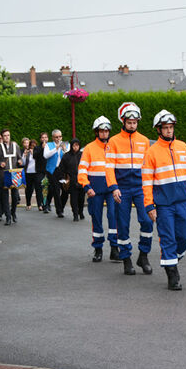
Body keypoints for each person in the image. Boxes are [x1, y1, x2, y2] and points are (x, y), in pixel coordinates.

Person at [142, 110, 186, 290]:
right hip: (163, 205)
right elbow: (146, 181)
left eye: (171, 127)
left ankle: (172, 258)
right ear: (158, 130)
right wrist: (149, 205)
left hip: (183, 202)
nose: (169, 131)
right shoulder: (151, 152)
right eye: (165, 128)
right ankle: (172, 274)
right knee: (167, 238)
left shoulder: (183, 147)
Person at [105, 102, 153, 276]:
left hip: (141, 187)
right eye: (129, 122)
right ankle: (126, 259)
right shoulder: (114, 141)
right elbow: (109, 167)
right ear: (123, 122)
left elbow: (149, 166)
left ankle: (144, 255)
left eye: (135, 122)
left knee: (147, 221)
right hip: (122, 188)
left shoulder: (145, 141)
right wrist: (114, 187)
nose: (132, 125)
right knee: (123, 225)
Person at [78, 116, 120, 262]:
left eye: (106, 131)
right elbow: (82, 170)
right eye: (101, 131)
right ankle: (98, 249)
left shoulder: (113, 146)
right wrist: (86, 186)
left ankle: (115, 249)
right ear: (96, 132)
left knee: (114, 217)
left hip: (111, 189)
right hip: (94, 190)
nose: (104, 134)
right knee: (96, 219)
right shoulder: (89, 148)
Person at [0, 129, 23, 223]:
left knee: (15, 196)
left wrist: (20, 161)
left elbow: (19, 157)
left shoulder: (15, 146)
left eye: (8, 135)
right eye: (5, 135)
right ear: (1, 136)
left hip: (15, 173)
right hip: (3, 174)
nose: (7, 137)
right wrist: (0, 163)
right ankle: (8, 217)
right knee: (4, 196)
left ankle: (13, 212)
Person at [44, 129, 69, 218]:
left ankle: (61, 206)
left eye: (60, 137)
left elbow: (69, 157)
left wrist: (65, 150)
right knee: (56, 190)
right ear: (53, 138)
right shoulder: (49, 145)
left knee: (65, 190)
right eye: (56, 137)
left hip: (63, 171)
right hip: (52, 170)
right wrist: (56, 148)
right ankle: (59, 211)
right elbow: (46, 155)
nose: (58, 139)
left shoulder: (66, 144)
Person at [58, 138, 85, 221]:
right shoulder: (66, 156)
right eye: (74, 145)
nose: (75, 147)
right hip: (71, 180)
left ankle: (80, 211)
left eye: (77, 145)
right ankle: (75, 214)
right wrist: (63, 178)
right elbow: (61, 168)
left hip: (82, 179)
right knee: (73, 198)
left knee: (81, 198)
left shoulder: (83, 155)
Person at [23, 139, 43, 211]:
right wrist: (25, 155)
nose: (32, 148)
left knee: (38, 189)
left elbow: (40, 160)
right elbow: (23, 163)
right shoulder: (27, 152)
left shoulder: (37, 153)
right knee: (29, 189)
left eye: (34, 146)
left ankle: (39, 205)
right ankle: (28, 204)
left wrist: (33, 153)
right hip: (28, 172)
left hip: (36, 172)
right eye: (31, 146)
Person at [34, 132, 49, 212]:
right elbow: (34, 156)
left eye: (45, 137)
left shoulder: (50, 146)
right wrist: (42, 149)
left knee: (48, 188)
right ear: (40, 139)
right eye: (42, 137)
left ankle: (46, 204)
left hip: (48, 171)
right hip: (40, 171)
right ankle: (42, 204)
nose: (44, 139)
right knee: (41, 188)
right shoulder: (37, 148)